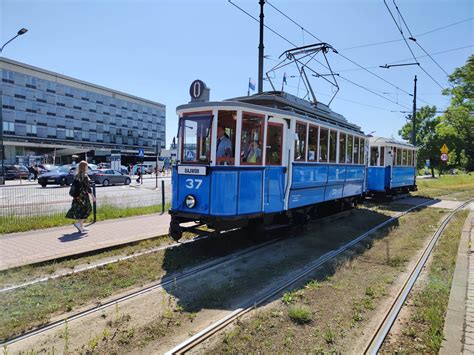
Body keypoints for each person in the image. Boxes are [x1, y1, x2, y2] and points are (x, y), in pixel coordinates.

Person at [66, 160, 95, 233]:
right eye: (86, 166)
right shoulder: (85, 176)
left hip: (77, 196)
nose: (87, 167)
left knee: (81, 210)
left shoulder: (77, 175)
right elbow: (88, 188)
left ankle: (81, 226)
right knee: (88, 209)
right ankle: (78, 224)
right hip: (83, 196)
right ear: (84, 167)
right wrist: (93, 197)